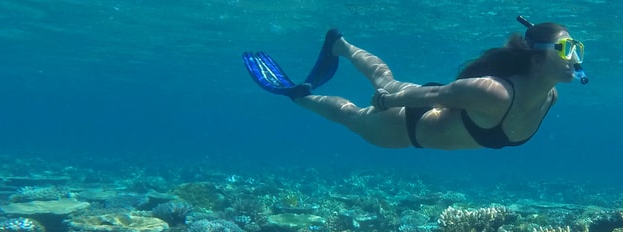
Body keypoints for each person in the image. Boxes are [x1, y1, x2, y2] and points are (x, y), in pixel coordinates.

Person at [242, 17, 587, 149]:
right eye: (568, 48)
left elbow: (441, 94)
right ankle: (301, 97)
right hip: (406, 126)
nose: (575, 56)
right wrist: (388, 102)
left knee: (387, 80)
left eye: (578, 48)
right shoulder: (495, 92)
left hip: (436, 107)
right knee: (353, 116)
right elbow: (436, 93)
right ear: (538, 57)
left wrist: (390, 94)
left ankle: (341, 45)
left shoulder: (550, 97)